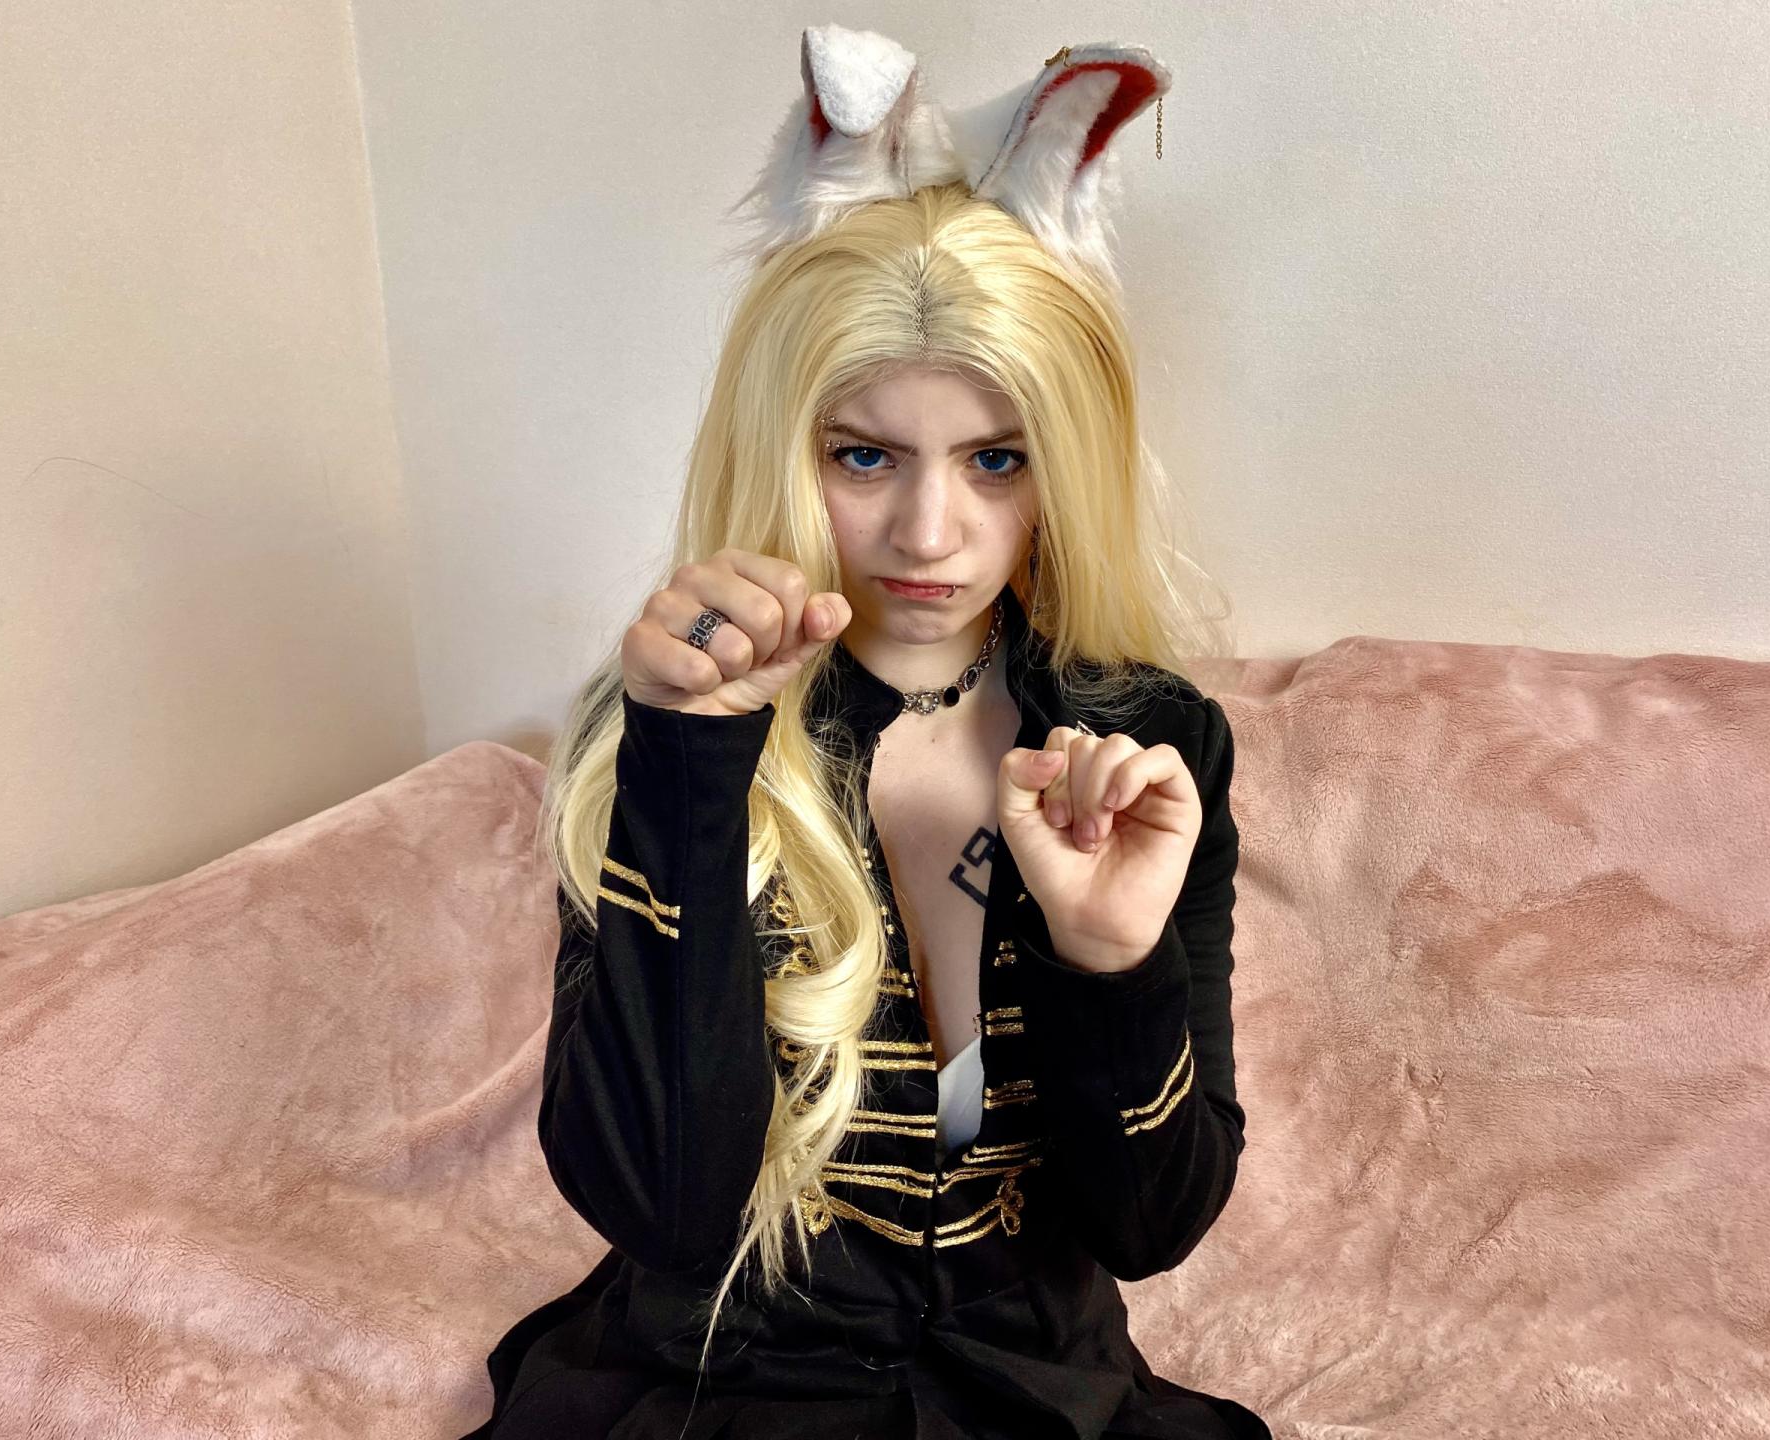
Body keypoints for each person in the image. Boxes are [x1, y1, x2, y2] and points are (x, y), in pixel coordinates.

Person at [460, 26, 1268, 1440]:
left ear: (1064, 465)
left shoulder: (1154, 744)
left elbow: (1149, 1229)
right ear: (787, 448)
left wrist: (1111, 959)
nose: (929, 532)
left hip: (1039, 1385)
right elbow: (660, 1207)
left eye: (997, 458)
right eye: (865, 455)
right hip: (717, 1386)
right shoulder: (661, 722)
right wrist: (689, 771)